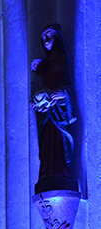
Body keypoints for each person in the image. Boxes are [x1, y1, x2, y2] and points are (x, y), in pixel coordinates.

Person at [30, 24, 76, 186]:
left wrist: (64, 94)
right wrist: (36, 103)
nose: (46, 40)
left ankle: (60, 172)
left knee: (58, 141)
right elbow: (40, 86)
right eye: (43, 38)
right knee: (45, 144)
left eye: (49, 35)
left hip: (59, 111)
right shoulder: (46, 66)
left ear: (57, 37)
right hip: (47, 112)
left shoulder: (63, 59)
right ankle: (47, 174)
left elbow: (69, 85)